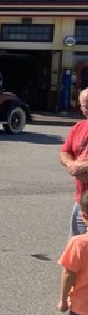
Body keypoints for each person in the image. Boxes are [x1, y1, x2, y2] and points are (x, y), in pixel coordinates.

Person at [59, 189, 88, 315]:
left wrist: (63, 301)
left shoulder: (79, 243)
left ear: (84, 216)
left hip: (82, 309)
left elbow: (68, 274)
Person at [61, 87, 88, 236]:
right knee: (78, 250)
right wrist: (71, 165)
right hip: (81, 202)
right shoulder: (78, 128)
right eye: (86, 106)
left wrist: (82, 166)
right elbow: (65, 152)